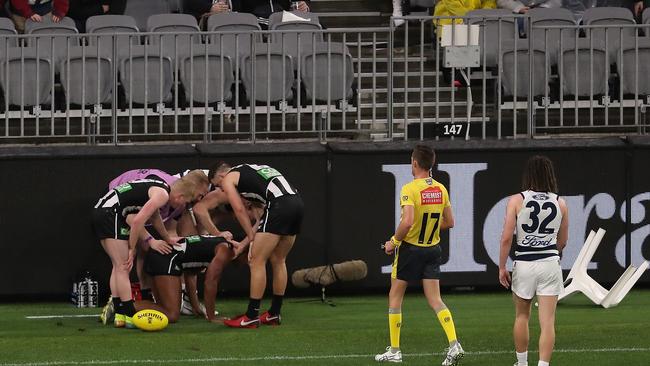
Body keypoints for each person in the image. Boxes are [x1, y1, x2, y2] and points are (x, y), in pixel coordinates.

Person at [375, 144, 464, 366]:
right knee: (435, 300)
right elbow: (450, 222)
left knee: (395, 297)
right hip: (433, 249)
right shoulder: (441, 189)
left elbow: (407, 222)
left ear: (415, 163)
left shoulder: (410, 189)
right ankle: (454, 344)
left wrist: (393, 243)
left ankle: (395, 350)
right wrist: (430, 230)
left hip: (410, 249)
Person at [92, 174, 205, 328]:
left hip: (103, 211)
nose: (182, 205)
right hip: (111, 214)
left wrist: (167, 238)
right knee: (123, 267)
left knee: (117, 266)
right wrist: (132, 248)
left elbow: (155, 217)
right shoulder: (162, 194)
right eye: (185, 202)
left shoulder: (160, 187)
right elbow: (138, 221)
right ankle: (128, 313)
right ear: (179, 197)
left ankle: (119, 314)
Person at [498, 155, 568, 366]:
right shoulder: (560, 203)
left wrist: (502, 266)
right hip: (549, 262)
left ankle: (521, 363)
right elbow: (563, 242)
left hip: (525, 262)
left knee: (522, 316)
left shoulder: (517, 200)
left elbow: (506, 238)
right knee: (548, 323)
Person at [221, 164, 304, 328]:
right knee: (279, 260)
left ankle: (251, 316)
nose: (223, 191)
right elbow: (261, 220)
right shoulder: (256, 173)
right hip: (297, 203)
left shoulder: (228, 178)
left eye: (219, 186)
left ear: (221, 176)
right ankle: (274, 313)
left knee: (256, 261)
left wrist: (251, 239)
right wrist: (247, 241)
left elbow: (238, 209)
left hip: (279, 206)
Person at [136, 234, 232, 323]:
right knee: (172, 315)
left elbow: (190, 275)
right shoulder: (225, 250)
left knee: (162, 308)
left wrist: (196, 306)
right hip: (165, 257)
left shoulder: (213, 243)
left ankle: (127, 308)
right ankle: (125, 307)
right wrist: (211, 316)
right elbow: (210, 282)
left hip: (159, 255)